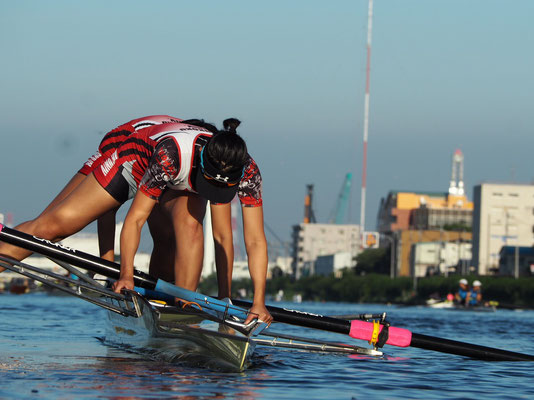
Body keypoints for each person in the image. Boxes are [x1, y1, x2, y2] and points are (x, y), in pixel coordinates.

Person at [0, 118, 272, 323]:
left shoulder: (248, 170)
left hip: (174, 174)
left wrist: (246, 302)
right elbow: (133, 220)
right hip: (131, 163)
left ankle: (181, 311)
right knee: (53, 227)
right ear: (204, 162)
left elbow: (247, 239)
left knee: (188, 227)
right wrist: (121, 272)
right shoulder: (172, 155)